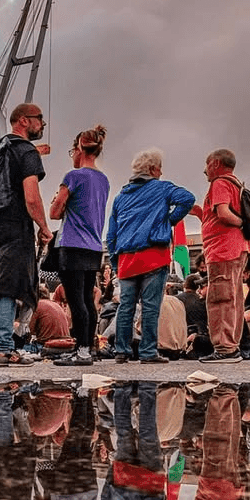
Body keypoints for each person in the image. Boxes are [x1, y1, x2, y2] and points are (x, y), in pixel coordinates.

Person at [0, 103, 53, 367]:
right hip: (14, 226)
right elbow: (32, 198)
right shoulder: (25, 151)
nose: (42, 124)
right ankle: (5, 348)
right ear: (23, 121)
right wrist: (43, 227)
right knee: (8, 287)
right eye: (39, 119)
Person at [106, 148, 195, 364]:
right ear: (153, 169)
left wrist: (115, 261)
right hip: (153, 255)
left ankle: (121, 351)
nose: (161, 173)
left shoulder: (121, 197)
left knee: (126, 306)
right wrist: (169, 221)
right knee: (150, 306)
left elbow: (111, 234)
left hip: (127, 259)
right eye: (160, 168)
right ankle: (147, 352)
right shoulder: (162, 188)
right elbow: (188, 199)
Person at [49, 125, 109, 366]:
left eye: (72, 150)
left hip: (72, 243)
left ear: (80, 149)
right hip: (94, 246)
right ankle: (90, 347)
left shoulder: (73, 177)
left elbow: (54, 212)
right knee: (87, 298)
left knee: (75, 301)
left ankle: (81, 350)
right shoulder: (103, 180)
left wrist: (58, 199)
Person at [188, 149, 250, 363]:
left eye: (207, 164)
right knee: (233, 297)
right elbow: (215, 217)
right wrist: (199, 212)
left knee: (219, 299)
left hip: (222, 250)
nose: (204, 170)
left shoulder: (219, 183)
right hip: (236, 248)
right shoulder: (235, 184)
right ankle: (232, 345)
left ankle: (225, 348)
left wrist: (242, 222)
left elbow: (223, 214)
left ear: (215, 163)